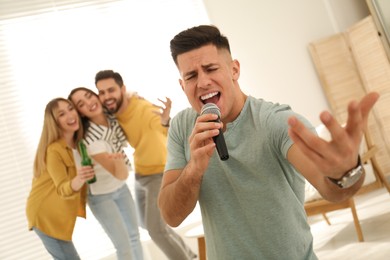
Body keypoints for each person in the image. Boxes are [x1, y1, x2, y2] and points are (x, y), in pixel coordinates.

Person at [157, 25, 380, 260]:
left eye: (211, 69)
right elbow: (171, 216)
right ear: (183, 86)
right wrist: (194, 169)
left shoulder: (276, 122)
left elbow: (333, 191)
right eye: (191, 76)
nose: (202, 82)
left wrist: (346, 172)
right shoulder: (182, 127)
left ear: (234, 70)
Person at [94, 70, 197, 260]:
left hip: (159, 172)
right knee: (145, 223)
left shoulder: (142, 109)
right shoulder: (111, 112)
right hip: (141, 173)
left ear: (122, 89)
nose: (107, 96)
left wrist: (166, 121)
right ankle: (190, 256)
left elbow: (164, 128)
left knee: (156, 231)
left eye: (111, 90)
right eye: (102, 92)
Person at [68, 87, 144, 260]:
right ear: (80, 112)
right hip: (101, 196)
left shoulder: (111, 117)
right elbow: (121, 174)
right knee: (123, 245)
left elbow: (126, 103)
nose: (89, 103)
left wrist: (132, 96)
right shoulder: (90, 139)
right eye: (81, 104)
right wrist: (118, 161)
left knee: (134, 236)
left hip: (120, 188)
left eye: (89, 96)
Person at [26, 98, 95, 260]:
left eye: (71, 109)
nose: (70, 115)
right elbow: (62, 188)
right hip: (45, 215)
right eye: (62, 114)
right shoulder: (54, 150)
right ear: (55, 122)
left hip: (56, 214)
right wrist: (79, 179)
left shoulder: (77, 145)